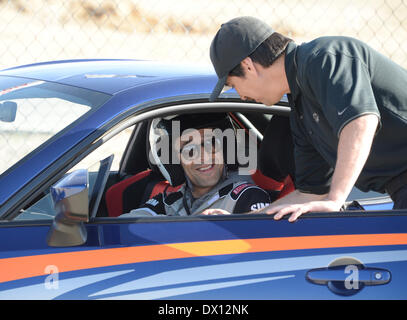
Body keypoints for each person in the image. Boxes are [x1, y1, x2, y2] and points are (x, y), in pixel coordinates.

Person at [209, 16, 407, 222]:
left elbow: (361, 121)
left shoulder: (324, 58)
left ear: (248, 65)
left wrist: (335, 199)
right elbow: (311, 193)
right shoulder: (300, 108)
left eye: (232, 85)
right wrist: (243, 221)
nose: (240, 95)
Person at [121, 112, 272, 217]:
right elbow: (126, 226)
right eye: (189, 149)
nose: (204, 156)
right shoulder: (170, 201)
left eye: (211, 142)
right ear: (174, 160)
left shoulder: (246, 197)